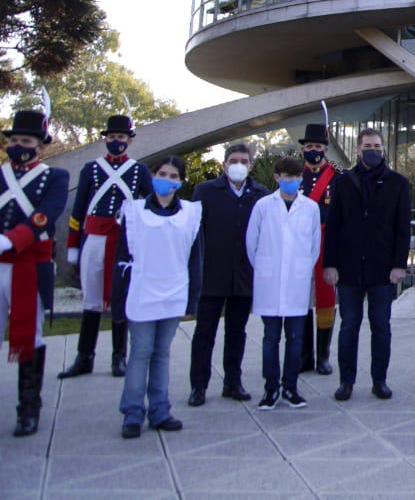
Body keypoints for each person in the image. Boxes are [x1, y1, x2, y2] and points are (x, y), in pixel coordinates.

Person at [322, 128, 411, 401]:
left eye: (377, 145)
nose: (372, 150)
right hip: (348, 268)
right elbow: (334, 226)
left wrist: (399, 265)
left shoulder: (397, 183)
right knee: (349, 325)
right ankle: (346, 381)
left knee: (381, 326)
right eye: (367, 145)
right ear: (358, 149)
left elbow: (402, 228)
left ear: (383, 149)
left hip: (382, 268)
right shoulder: (344, 182)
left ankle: (379, 380)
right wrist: (330, 264)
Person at [61, 114, 152, 380]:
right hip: (94, 237)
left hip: (123, 241)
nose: (116, 142)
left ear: (129, 140)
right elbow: (78, 210)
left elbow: (149, 204)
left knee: (119, 298)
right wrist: (74, 246)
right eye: (112, 137)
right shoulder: (91, 168)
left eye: (121, 137)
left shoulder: (139, 170)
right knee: (90, 298)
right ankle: (84, 356)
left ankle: (118, 357)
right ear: (106, 140)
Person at [117, 156, 201, 438]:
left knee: (162, 353)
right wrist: (118, 297)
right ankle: (132, 412)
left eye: (173, 175)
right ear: (153, 176)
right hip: (143, 291)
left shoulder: (190, 213)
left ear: (180, 181)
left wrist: (192, 300)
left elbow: (195, 259)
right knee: (140, 352)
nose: (167, 179)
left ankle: (159, 410)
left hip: (174, 291)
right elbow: (122, 257)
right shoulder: (134, 211)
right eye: (162, 173)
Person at [1, 106, 68, 437]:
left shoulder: (55, 177)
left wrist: (12, 239)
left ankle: (29, 406)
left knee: (31, 335)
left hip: (30, 264)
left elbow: (48, 213)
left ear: (41, 146)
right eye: (15, 139)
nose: (19, 145)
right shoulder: (1, 174)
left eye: (26, 140)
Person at [188, 143, 268, 407]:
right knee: (204, 332)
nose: (239, 165)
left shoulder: (260, 194)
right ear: (224, 164)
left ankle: (233, 381)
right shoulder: (206, 191)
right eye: (234, 160)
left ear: (251, 164)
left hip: (244, 274)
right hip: (212, 273)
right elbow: (192, 233)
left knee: (237, 332)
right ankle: (198, 385)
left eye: (244, 161)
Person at [246, 157, 322, 410]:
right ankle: (271, 388)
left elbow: (314, 246)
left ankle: (290, 387)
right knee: (270, 338)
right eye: (286, 177)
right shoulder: (263, 206)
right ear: (277, 178)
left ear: (301, 178)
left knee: (296, 338)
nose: (291, 181)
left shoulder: (310, 207)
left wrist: (299, 268)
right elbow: (252, 243)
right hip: (270, 282)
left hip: (297, 283)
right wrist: (267, 268)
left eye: (296, 176)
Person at [298, 122, 340, 376]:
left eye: (318, 146)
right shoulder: (294, 176)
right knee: (301, 298)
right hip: (301, 242)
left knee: (326, 297)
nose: (314, 150)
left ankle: (323, 355)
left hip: (328, 241)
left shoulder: (337, 177)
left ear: (326, 149)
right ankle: (304, 355)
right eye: (309, 146)